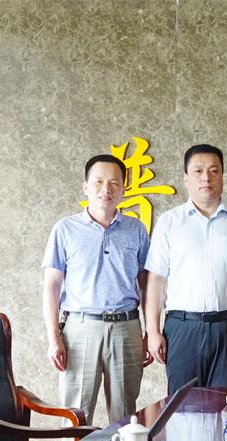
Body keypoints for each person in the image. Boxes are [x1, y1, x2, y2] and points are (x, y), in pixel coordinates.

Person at [144, 144, 227, 394]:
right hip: (182, 327)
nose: (206, 178)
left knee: (224, 402)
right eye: (198, 171)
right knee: (181, 404)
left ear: (222, 176)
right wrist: (152, 331)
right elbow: (156, 280)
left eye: (213, 171)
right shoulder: (169, 222)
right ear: (186, 178)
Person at [42, 154, 150, 425]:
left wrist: (151, 331)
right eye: (99, 182)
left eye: (114, 183)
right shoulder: (65, 229)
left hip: (127, 328)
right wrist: (54, 338)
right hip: (80, 329)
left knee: (125, 417)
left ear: (124, 188)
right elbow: (52, 286)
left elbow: (147, 284)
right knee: (76, 415)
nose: (106, 189)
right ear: (85, 187)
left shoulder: (137, 230)